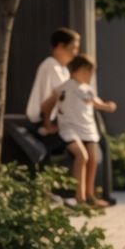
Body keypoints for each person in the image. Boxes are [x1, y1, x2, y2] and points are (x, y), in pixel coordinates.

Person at [53, 54, 117, 208]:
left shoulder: (88, 90)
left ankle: (90, 196)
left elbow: (96, 102)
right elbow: (49, 103)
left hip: (88, 129)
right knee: (82, 156)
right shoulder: (65, 87)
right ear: (80, 70)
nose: (91, 76)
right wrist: (48, 123)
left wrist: (107, 106)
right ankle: (79, 198)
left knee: (93, 159)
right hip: (70, 129)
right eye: (90, 72)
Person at [25, 27, 82, 160]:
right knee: (80, 154)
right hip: (41, 123)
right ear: (61, 46)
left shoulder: (64, 70)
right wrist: (48, 125)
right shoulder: (51, 65)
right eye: (73, 48)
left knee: (83, 153)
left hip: (56, 122)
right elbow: (55, 97)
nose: (76, 53)